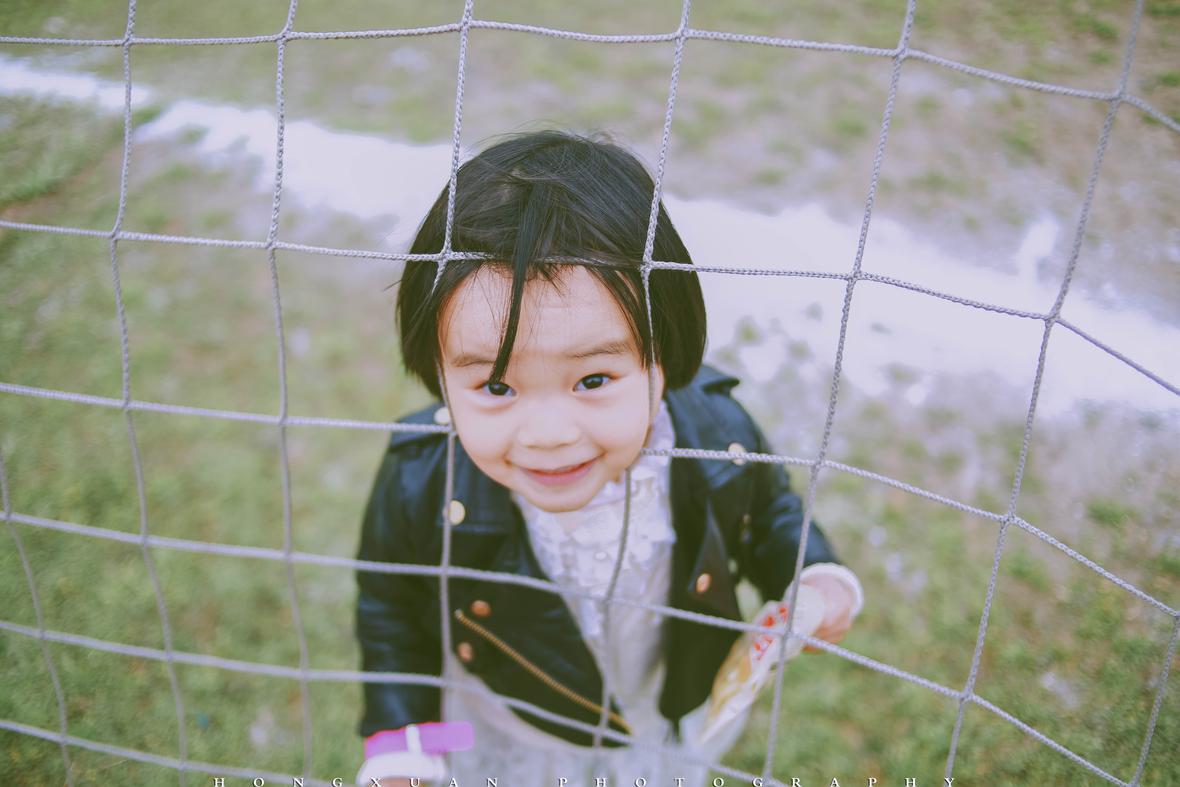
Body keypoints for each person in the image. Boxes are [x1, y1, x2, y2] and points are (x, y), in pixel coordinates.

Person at [354, 131, 864, 786]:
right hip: (502, 723)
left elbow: (768, 514)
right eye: (497, 387)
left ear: (662, 356)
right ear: (439, 372)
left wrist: (814, 575)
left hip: (658, 715)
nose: (547, 434)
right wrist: (403, 747)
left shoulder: (718, 432)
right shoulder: (421, 476)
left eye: (593, 379)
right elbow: (390, 609)